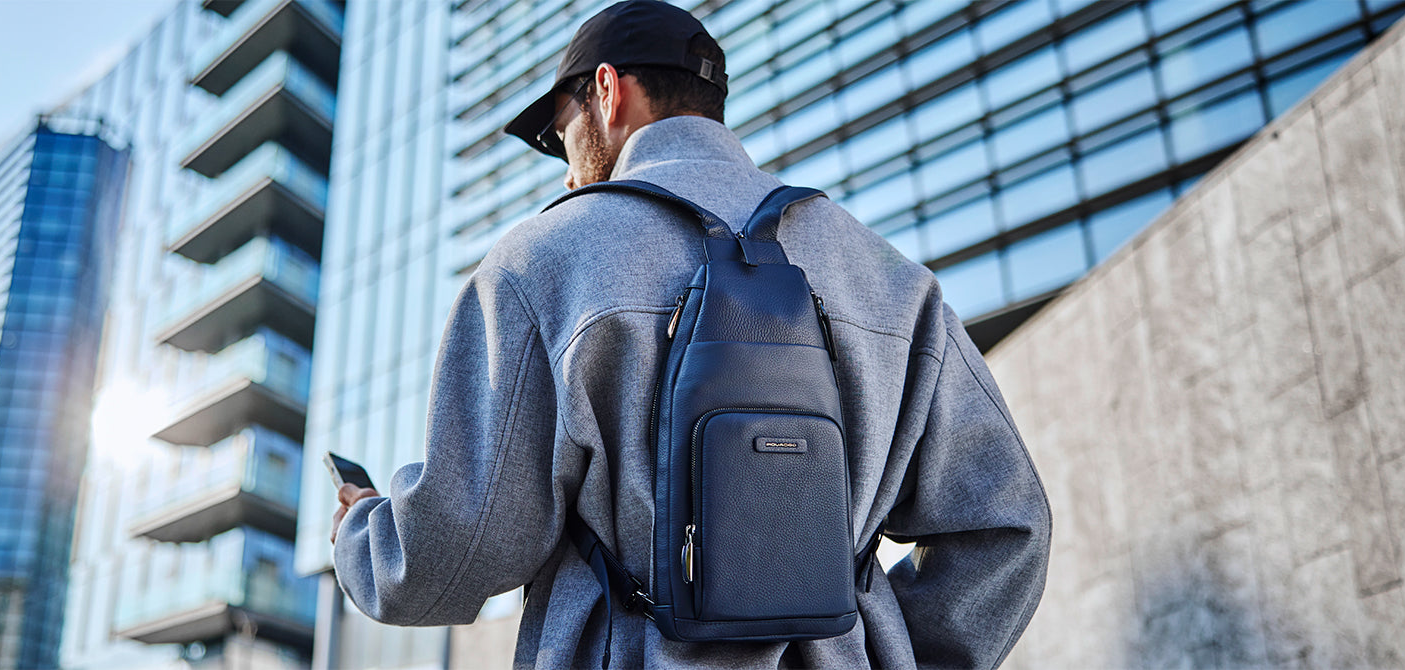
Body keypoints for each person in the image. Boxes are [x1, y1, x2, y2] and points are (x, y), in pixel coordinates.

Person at [329, 1, 1051, 667]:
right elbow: (1006, 528)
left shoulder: (540, 264)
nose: (569, 166)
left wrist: (363, 534)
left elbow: (451, 555)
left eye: (559, 133)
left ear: (607, 93)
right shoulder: (892, 280)